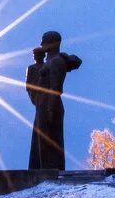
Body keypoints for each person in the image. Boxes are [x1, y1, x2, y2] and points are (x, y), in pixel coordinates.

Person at [27, 30, 82, 170]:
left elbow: (55, 88)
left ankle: (50, 170)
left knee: (49, 141)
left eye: (44, 40)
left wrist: (50, 109)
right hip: (43, 104)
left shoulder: (56, 61)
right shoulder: (51, 60)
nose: (41, 44)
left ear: (52, 43)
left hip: (50, 103)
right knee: (41, 141)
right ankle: (40, 170)